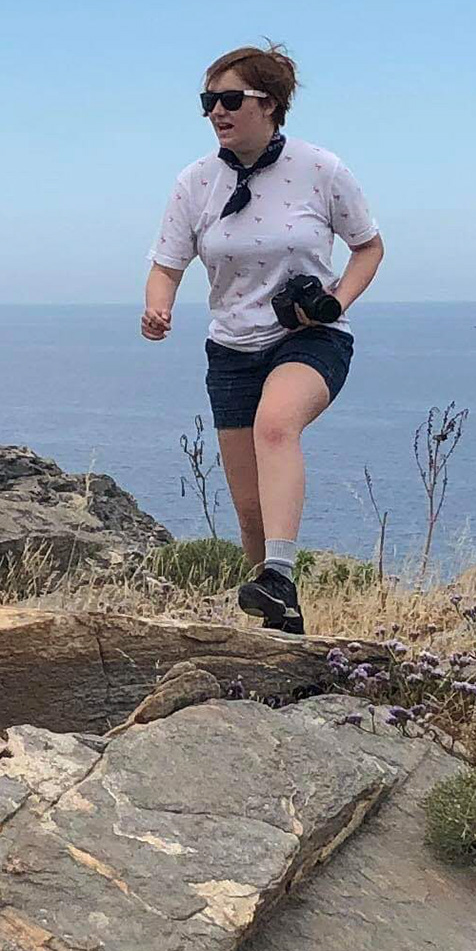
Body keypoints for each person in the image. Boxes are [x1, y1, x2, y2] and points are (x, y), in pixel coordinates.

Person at [140, 43, 383, 633]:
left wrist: (335, 302)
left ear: (269, 104)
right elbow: (166, 265)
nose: (216, 113)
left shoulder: (320, 168)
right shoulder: (195, 182)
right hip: (230, 351)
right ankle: (278, 620)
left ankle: (281, 571)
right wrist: (158, 307)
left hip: (309, 339)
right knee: (250, 511)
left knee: (277, 426)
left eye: (230, 100)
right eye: (208, 102)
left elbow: (368, 247)